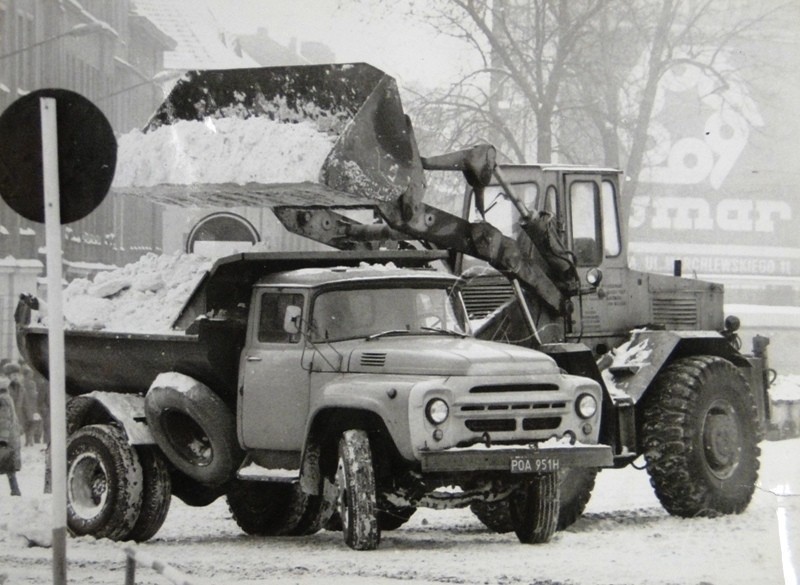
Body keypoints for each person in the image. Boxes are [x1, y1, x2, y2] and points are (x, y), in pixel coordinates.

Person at [0, 375, 22, 496]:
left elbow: (4, 420)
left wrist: (3, 439)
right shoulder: (7, 398)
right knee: (9, 466)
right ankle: (15, 489)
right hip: (10, 438)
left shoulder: (2, 400)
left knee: (7, 464)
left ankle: (15, 490)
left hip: (5, 439)